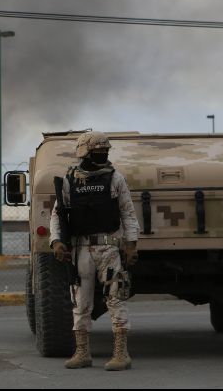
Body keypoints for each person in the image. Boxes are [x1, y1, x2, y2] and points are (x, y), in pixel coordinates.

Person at [49, 131, 141, 371]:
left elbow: (128, 213)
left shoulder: (114, 178)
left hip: (109, 247)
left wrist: (131, 245)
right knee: (80, 302)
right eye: (97, 152)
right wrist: (56, 241)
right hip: (81, 248)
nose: (102, 156)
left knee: (115, 297)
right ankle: (82, 353)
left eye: (105, 152)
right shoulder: (70, 179)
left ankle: (121, 353)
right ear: (85, 153)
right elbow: (57, 215)